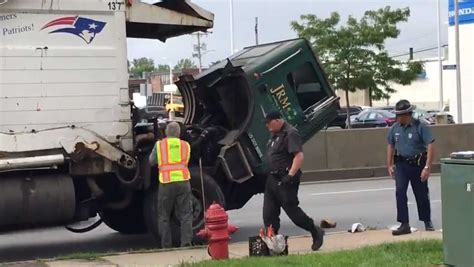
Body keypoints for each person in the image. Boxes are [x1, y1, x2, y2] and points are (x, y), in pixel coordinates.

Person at [263, 111, 324, 251]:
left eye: (269, 122)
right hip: (272, 179)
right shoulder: (274, 135)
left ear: (278, 120)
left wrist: (290, 176)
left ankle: (315, 231)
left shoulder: (291, 134)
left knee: (293, 213)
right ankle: (274, 245)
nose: (267, 126)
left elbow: (299, 156)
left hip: (285, 179)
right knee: (269, 214)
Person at [387, 100, 435, 236]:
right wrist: (389, 165)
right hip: (401, 164)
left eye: (399, 115)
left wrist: (427, 167)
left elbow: (430, 146)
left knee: (421, 194)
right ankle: (404, 224)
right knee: (400, 192)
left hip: (418, 164)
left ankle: (427, 221)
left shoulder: (420, 126)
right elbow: (390, 145)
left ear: (407, 114)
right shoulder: (395, 128)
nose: (397, 118)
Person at [149, 122, 193, 248]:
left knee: (164, 215)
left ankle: (166, 245)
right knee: (186, 214)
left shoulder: (160, 145)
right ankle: (186, 243)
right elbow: (186, 160)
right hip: (183, 182)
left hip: (166, 182)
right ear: (178, 133)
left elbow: (151, 161)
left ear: (166, 132)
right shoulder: (186, 145)